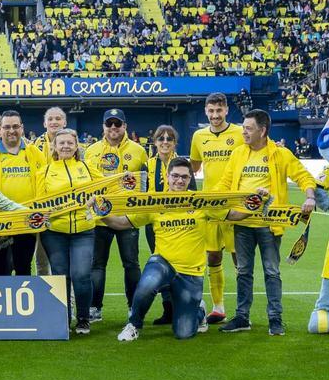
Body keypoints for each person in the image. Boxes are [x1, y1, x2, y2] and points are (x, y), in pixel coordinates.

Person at [104, 158, 264, 342]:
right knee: (147, 284)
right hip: (163, 263)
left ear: (191, 178)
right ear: (167, 176)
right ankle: (133, 324)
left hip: (190, 273)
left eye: (184, 177)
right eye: (175, 176)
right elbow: (122, 223)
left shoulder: (201, 202)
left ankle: (199, 311)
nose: (179, 181)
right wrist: (102, 213)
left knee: (184, 333)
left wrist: (256, 202)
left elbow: (235, 215)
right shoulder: (155, 202)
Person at [213, 109, 316, 336]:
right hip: (242, 224)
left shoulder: (280, 153)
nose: (244, 132)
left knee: (271, 272)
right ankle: (242, 317)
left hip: (269, 225)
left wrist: (309, 196)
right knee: (243, 272)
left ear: (263, 130)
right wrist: (212, 200)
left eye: (249, 128)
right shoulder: (238, 153)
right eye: (243, 127)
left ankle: (275, 319)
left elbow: (303, 175)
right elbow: (225, 182)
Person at [85, 108, 147, 322]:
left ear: (125, 126)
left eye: (117, 124)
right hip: (100, 218)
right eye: (109, 124)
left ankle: (134, 306)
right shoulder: (90, 151)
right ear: (103, 126)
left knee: (131, 263)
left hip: (128, 217)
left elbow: (145, 184)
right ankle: (94, 308)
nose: (113, 128)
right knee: (97, 264)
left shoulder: (139, 151)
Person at [35, 129, 99, 334]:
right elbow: (38, 204)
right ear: (53, 146)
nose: (65, 146)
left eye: (70, 143)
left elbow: (106, 189)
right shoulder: (44, 172)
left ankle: (83, 319)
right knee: (61, 275)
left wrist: (95, 201)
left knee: (81, 274)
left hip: (84, 231)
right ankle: (63, 319)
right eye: (61, 143)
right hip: (54, 233)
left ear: (76, 146)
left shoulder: (88, 168)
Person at [190, 92, 245, 325]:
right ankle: (218, 307)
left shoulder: (240, 133)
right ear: (205, 111)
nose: (215, 115)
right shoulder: (199, 136)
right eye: (211, 111)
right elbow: (193, 167)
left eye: (219, 111)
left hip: (235, 205)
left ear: (226, 111)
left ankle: (243, 311)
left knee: (239, 260)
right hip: (210, 205)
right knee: (212, 256)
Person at [0, 109, 45, 275]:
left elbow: (45, 183)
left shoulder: (34, 153)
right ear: (0, 129)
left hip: (26, 220)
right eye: (7, 127)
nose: (11, 130)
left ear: (22, 128)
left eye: (15, 126)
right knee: (0, 268)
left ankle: (23, 300)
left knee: (23, 266)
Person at [141, 124, 189, 326]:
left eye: (170, 139)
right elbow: (141, 196)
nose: (165, 142)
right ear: (155, 142)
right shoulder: (147, 166)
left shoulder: (182, 164)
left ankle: (184, 307)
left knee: (180, 265)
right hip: (155, 222)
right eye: (161, 138)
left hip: (180, 222)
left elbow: (191, 194)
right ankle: (168, 309)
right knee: (161, 266)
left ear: (175, 142)